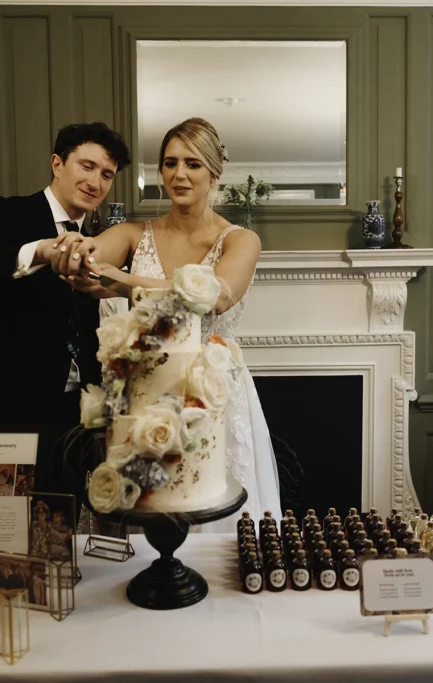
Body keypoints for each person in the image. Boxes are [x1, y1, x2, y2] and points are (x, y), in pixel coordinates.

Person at [62, 117, 282, 530]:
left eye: (193, 163)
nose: (179, 174)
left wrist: (126, 282)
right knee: (144, 510)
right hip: (143, 393)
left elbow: (217, 295)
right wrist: (78, 249)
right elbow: (94, 257)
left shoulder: (240, 240)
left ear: (214, 172)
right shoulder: (132, 232)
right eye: (169, 162)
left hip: (213, 394)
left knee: (211, 503)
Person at [0, 122, 132, 500]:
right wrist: (39, 252)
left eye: (106, 174)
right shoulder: (6, 213)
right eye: (86, 166)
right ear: (57, 163)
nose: (95, 182)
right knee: (1, 525)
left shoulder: (100, 241)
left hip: (73, 412)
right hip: (6, 402)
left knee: (60, 528)